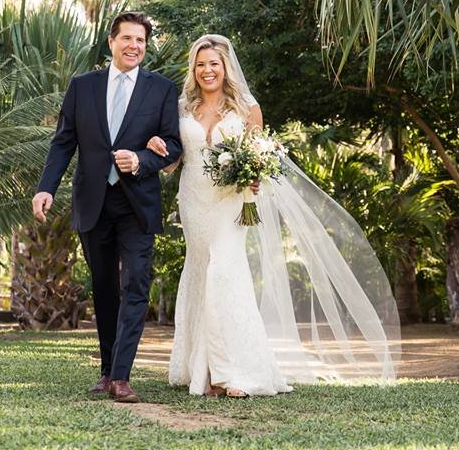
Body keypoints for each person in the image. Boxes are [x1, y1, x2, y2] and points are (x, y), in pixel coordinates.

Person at [146, 34, 400, 397]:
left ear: (226, 67)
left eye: (213, 64)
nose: (207, 70)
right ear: (194, 69)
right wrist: (157, 150)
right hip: (193, 199)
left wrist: (252, 178)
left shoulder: (247, 108)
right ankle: (199, 366)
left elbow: (259, 159)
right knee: (201, 270)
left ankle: (229, 371)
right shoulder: (182, 109)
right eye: (200, 65)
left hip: (230, 202)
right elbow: (173, 163)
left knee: (224, 271)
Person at [32, 12, 182, 404]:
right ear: (111, 42)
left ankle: (121, 376)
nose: (135, 46)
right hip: (93, 200)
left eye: (142, 41)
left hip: (138, 203)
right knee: (104, 288)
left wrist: (142, 160)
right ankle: (105, 369)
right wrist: (46, 188)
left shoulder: (162, 89)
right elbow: (63, 142)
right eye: (128, 38)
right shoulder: (82, 87)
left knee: (136, 283)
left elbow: (173, 144)